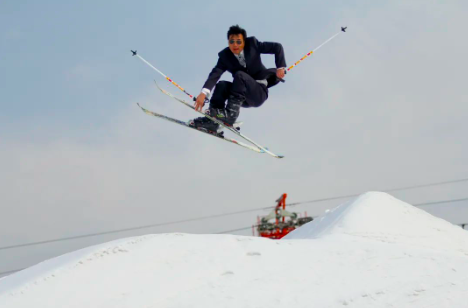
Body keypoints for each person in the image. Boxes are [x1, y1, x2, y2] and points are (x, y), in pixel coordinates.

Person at [189, 25, 287, 133]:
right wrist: (204, 93)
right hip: (242, 98)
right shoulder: (225, 56)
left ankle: (231, 115)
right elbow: (215, 75)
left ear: (244, 41)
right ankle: (213, 121)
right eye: (232, 42)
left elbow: (277, 47)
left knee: (240, 75)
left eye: (239, 42)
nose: (235, 45)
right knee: (222, 85)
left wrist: (280, 67)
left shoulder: (253, 44)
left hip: (258, 93)